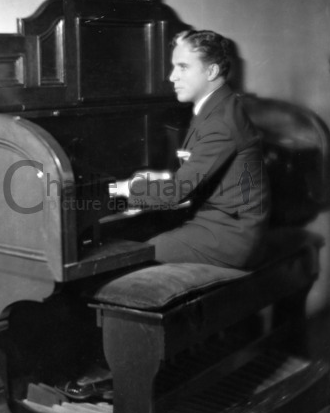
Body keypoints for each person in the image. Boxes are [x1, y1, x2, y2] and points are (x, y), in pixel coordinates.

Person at [110, 30, 270, 269]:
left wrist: (121, 189)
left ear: (212, 71)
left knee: (133, 257)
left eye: (183, 67)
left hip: (229, 237)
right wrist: (159, 179)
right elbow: (200, 173)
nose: (171, 76)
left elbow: (179, 191)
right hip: (219, 224)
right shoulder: (217, 106)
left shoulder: (220, 121)